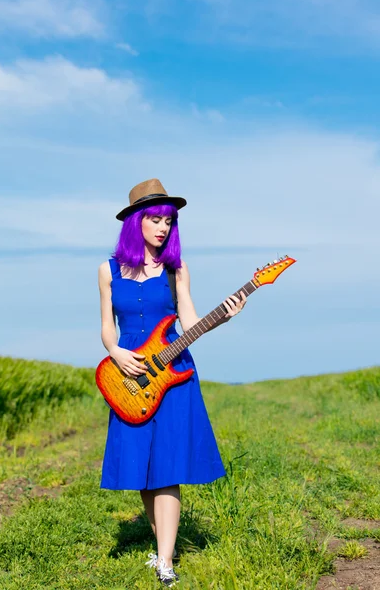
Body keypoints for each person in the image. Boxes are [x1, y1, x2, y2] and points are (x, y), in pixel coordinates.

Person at [98, 179, 246, 587]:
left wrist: (226, 315)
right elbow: (107, 328)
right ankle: (164, 543)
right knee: (143, 470)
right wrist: (116, 353)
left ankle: (165, 562)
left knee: (168, 468)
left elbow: (191, 322)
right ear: (135, 222)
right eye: (155, 219)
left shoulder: (176, 269)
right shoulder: (108, 270)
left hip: (175, 374)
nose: (163, 228)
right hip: (129, 375)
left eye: (168, 221)